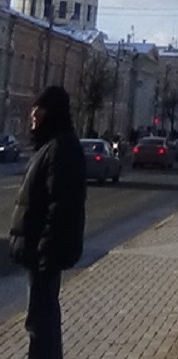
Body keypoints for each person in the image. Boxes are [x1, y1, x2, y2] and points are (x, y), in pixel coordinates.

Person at [9, 86, 87, 359]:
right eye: (34, 108)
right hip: (41, 252)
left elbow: (61, 207)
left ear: (52, 113)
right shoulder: (51, 146)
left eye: (40, 109)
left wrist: (47, 251)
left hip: (45, 253)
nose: (33, 114)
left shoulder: (60, 148)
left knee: (41, 322)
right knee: (41, 319)